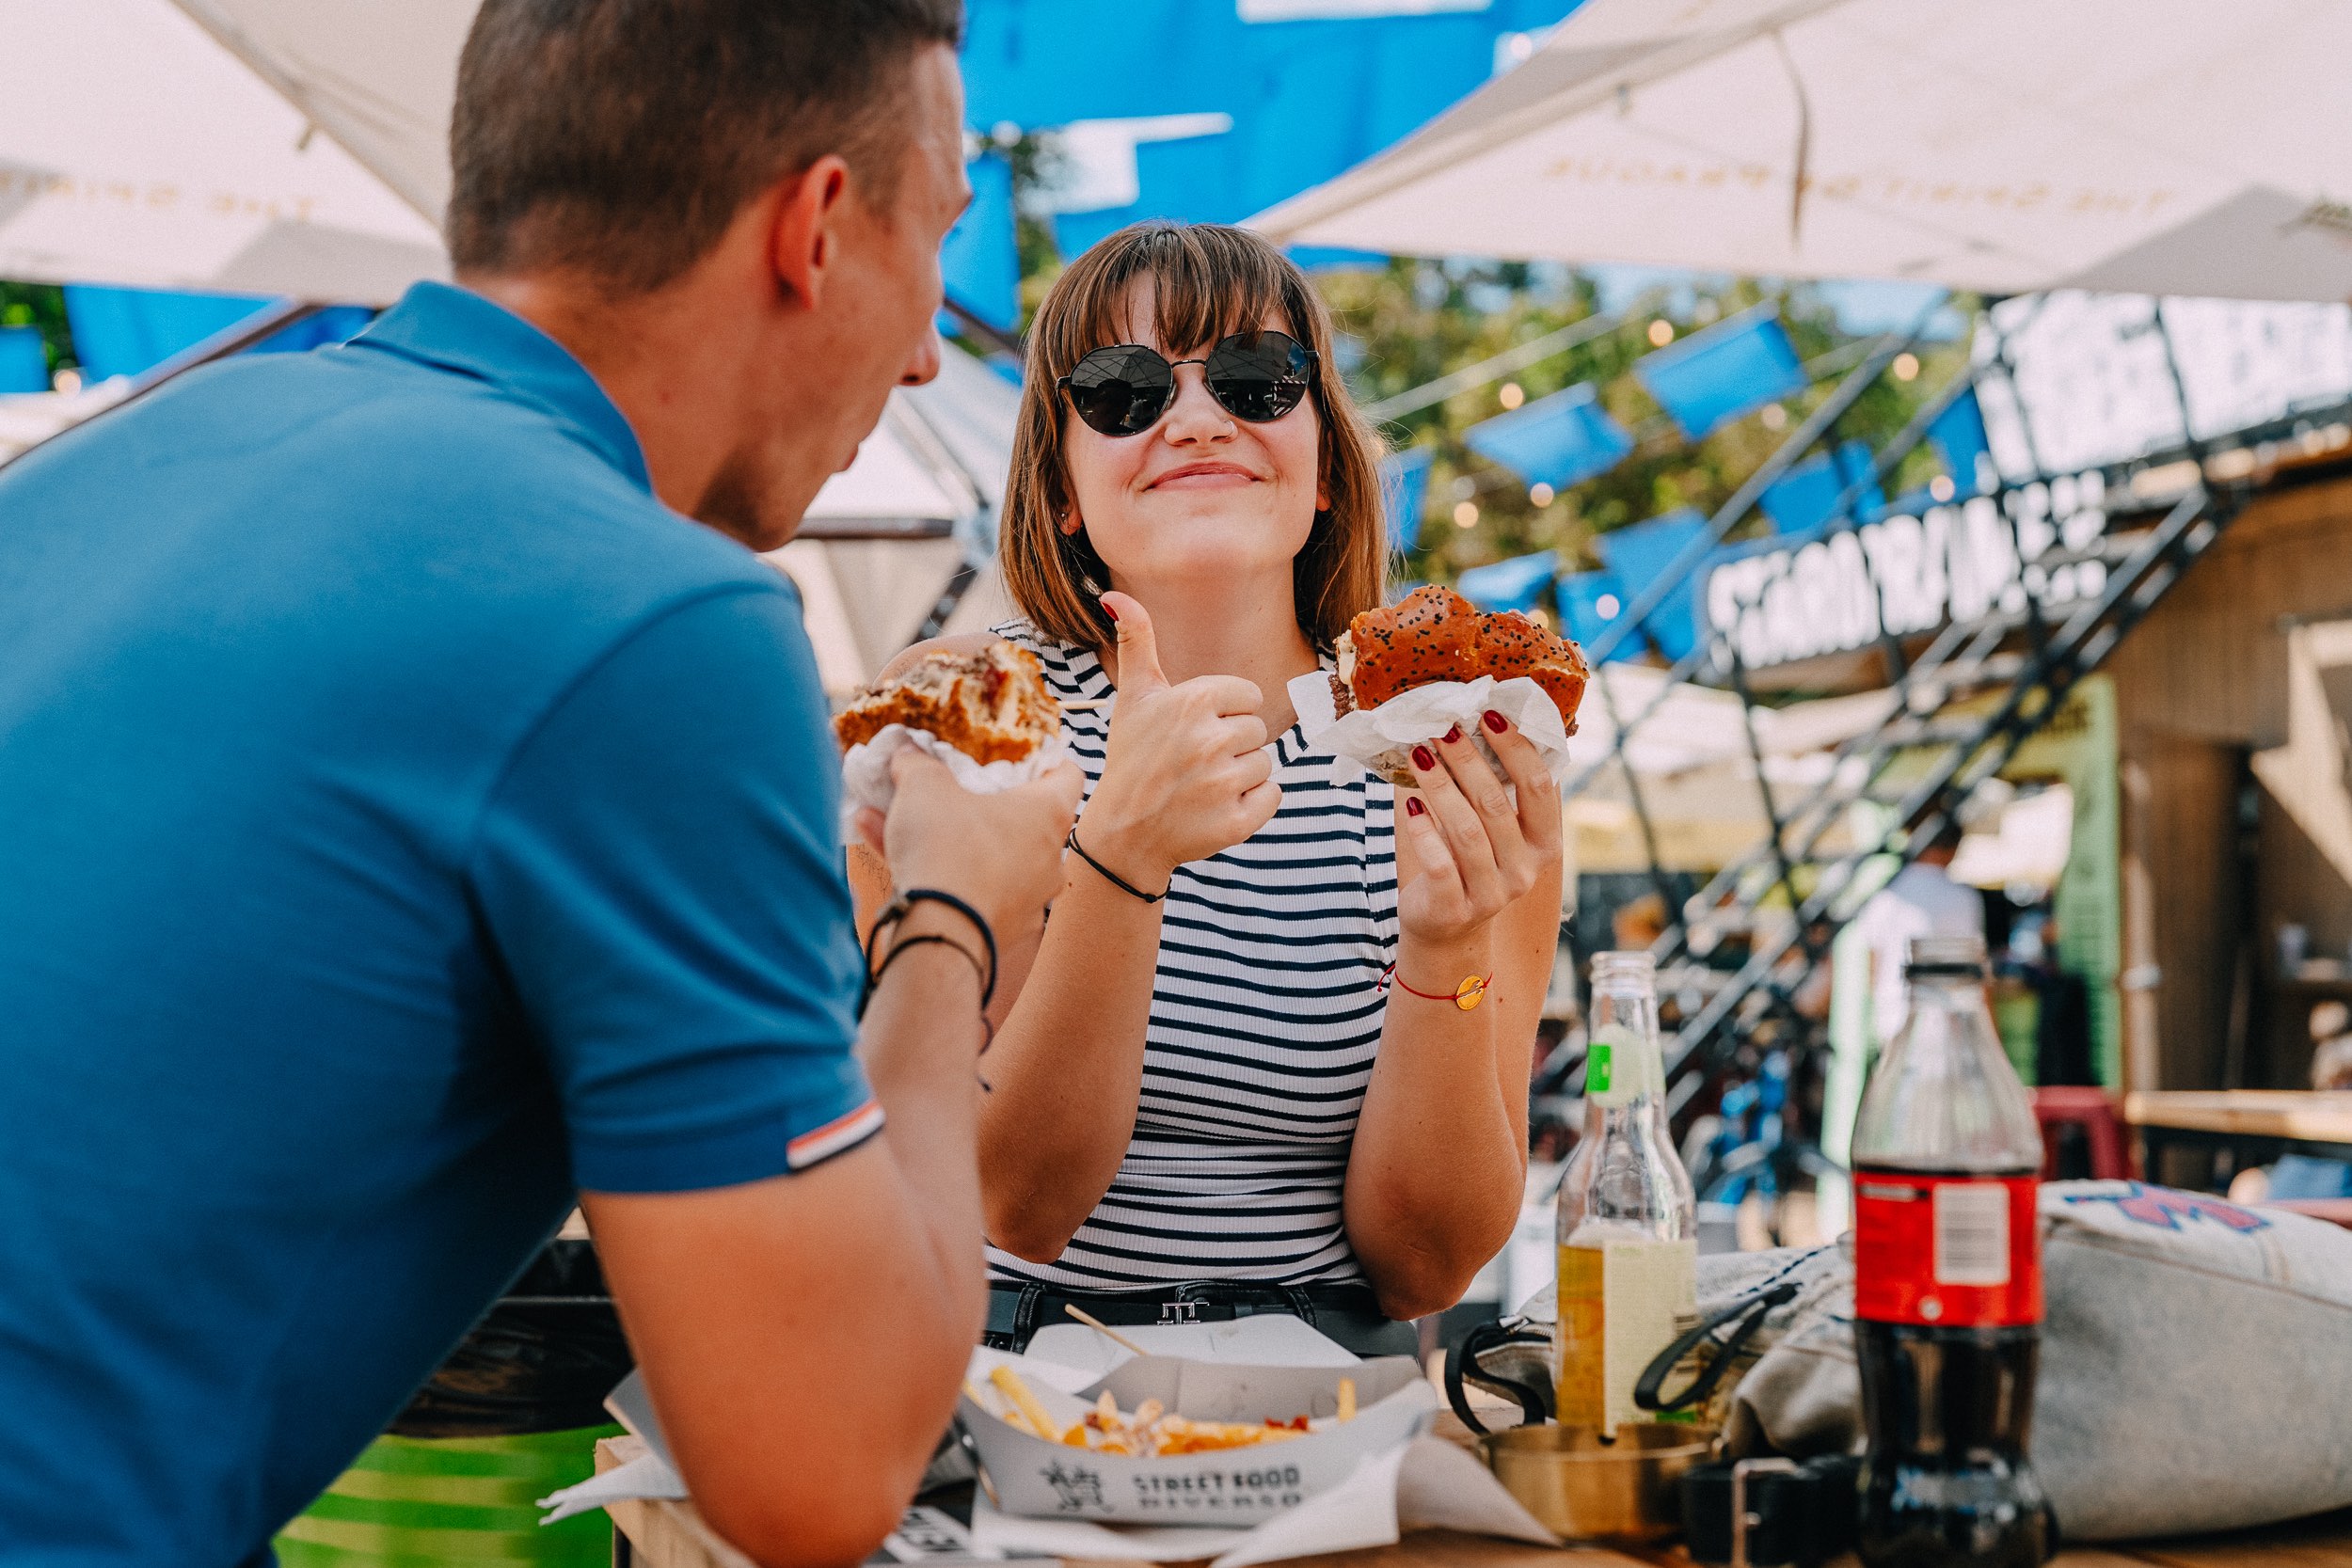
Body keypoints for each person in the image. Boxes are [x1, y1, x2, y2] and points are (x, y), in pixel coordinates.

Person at [0, 4, 1080, 1564]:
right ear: (820, 227)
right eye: (941, 241)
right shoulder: (660, 617)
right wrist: (952, 919)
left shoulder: (120, 457)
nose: (929, 349)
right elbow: (822, 1465)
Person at [858, 222, 1564, 1354]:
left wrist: (1446, 950)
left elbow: (1425, 1263)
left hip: (1329, 1406)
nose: (1195, 418)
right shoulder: (968, 714)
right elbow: (1019, 1198)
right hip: (1008, 1381)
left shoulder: (1449, 740)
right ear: (1062, 486)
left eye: (1256, 379)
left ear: (1326, 463)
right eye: (1123, 390)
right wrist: (1121, 856)